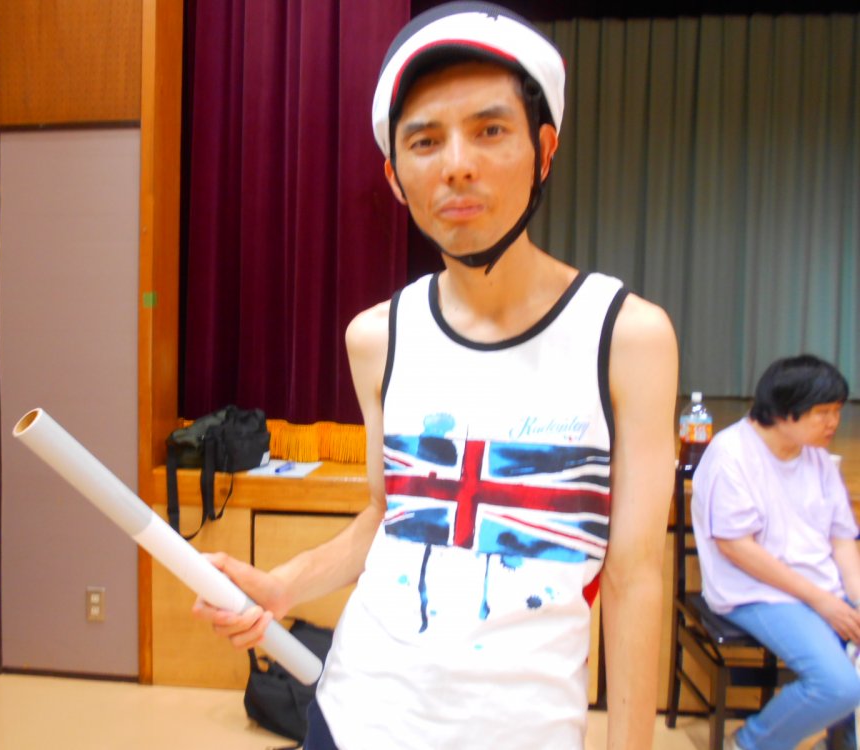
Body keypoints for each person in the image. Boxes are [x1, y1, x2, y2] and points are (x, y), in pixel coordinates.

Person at [193, 3, 678, 748]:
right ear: (395, 177)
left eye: (490, 130)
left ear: (544, 149)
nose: (456, 164)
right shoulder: (377, 337)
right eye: (424, 141)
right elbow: (390, 516)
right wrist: (283, 584)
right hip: (354, 717)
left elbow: (636, 574)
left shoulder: (626, 337)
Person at [691, 355, 860, 750]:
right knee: (837, 685)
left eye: (837, 411)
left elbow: (842, 539)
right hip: (757, 593)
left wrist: (855, 596)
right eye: (823, 412)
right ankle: (749, 743)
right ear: (785, 411)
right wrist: (822, 601)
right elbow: (737, 548)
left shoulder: (817, 456)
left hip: (818, 588)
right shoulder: (731, 454)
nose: (834, 422)